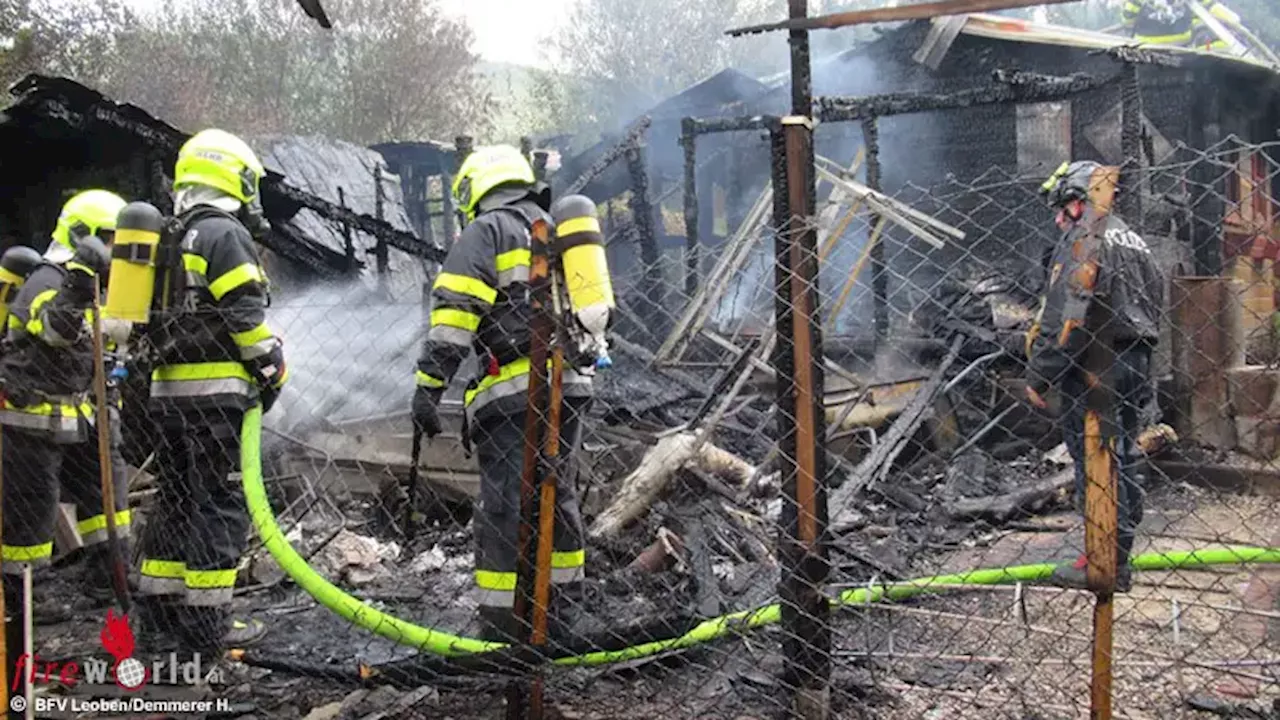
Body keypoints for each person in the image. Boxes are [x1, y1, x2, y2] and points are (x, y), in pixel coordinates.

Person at [412, 145, 593, 644]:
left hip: (515, 392)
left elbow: (454, 316)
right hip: (572, 386)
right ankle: (558, 621)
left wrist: (428, 388)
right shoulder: (560, 229)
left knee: (505, 507)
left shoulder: (486, 230)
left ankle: (504, 630)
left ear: (475, 189)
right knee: (558, 497)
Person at [135, 128, 286, 653]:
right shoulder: (223, 234)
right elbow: (244, 310)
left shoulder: (166, 237)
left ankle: (156, 618)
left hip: (166, 398)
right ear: (232, 176)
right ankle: (204, 632)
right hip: (218, 400)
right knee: (220, 505)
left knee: (175, 501)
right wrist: (271, 365)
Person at [0, 189, 131, 705]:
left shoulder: (87, 284)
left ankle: (110, 582)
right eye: (108, 241)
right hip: (28, 424)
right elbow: (56, 331)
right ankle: (20, 609)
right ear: (85, 238)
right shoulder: (45, 283)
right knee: (30, 523)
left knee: (106, 500)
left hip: (74, 419)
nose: (115, 252)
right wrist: (81, 279)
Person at [1026, 161, 1165, 592]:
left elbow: (1068, 310)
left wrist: (1040, 372)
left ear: (1078, 200)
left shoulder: (1085, 237)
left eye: (1062, 206)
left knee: (1097, 463)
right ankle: (1118, 555)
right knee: (1123, 456)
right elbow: (1155, 299)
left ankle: (1104, 564)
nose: (1057, 218)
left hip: (1096, 365)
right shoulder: (1136, 240)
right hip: (1136, 361)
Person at [1120, 0, 1241, 49]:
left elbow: (1128, 19)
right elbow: (1210, 6)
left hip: (1146, 49)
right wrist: (1233, 21)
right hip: (1183, 48)